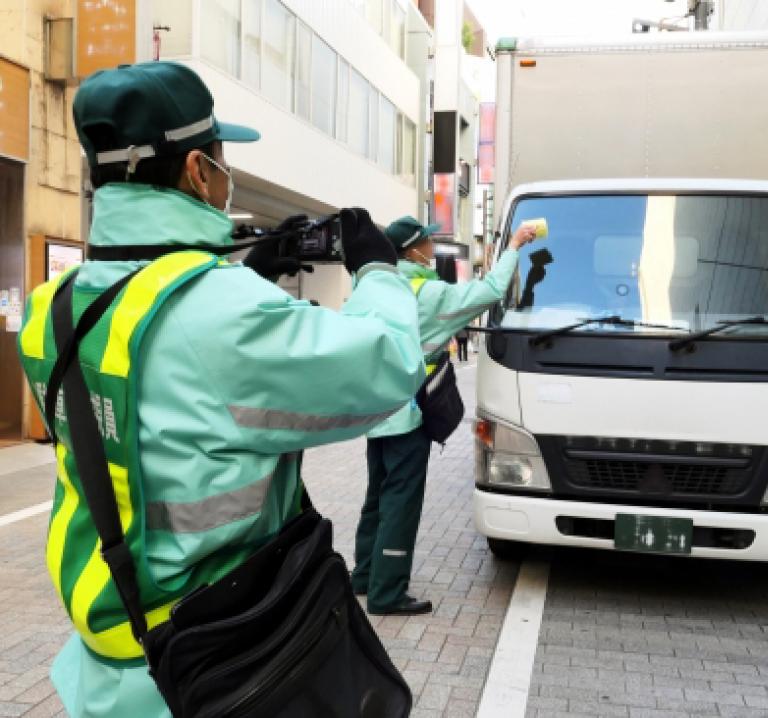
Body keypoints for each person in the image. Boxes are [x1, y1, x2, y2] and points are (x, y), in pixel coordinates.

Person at [17, 62, 424, 718]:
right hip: (219, 653)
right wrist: (378, 268)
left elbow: (167, 397)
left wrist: (237, 275)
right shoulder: (220, 310)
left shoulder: (51, 305)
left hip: (110, 653)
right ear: (199, 171)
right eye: (221, 159)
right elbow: (390, 368)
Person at [351, 216, 537, 615]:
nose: (433, 248)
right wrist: (514, 248)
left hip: (375, 413)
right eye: (429, 241)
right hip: (409, 414)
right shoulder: (427, 293)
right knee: (401, 501)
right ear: (413, 250)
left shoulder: (372, 289)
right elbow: (488, 291)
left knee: (376, 497)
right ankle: (387, 593)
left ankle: (364, 577)